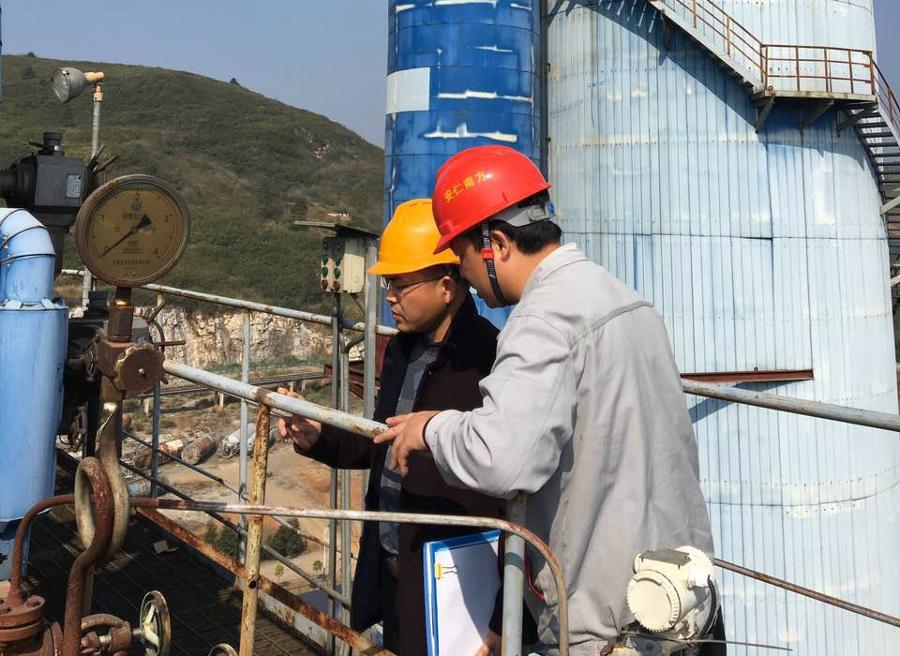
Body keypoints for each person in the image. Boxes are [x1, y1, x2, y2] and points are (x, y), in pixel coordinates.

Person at [375, 146, 720, 654]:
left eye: (461, 257)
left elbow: (502, 459)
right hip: (682, 593)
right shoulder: (627, 299)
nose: (464, 275)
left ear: (495, 244)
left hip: (607, 616)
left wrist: (431, 428)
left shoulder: (542, 319)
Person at [278, 199, 519, 655]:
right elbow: (381, 437)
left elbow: (518, 492)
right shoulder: (404, 350)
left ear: (446, 286)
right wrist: (319, 434)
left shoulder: (490, 358)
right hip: (396, 570)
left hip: (459, 587)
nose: (389, 297)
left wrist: (505, 617)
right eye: (388, 283)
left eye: (401, 284)